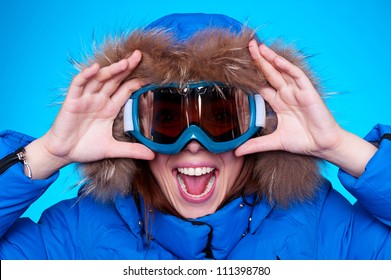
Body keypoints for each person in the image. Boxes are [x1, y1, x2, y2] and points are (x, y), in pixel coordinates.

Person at [0, 13, 390, 260]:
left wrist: (339, 146)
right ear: (130, 133)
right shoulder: (74, 236)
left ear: (263, 126)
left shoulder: (327, 228)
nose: (193, 142)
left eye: (222, 120)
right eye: (166, 120)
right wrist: (48, 153)